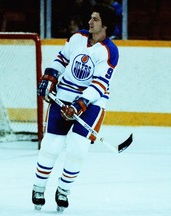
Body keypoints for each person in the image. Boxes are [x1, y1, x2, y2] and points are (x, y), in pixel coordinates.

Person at [32, 4, 118, 212]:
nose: (90, 22)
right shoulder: (78, 38)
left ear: (105, 25)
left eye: (95, 19)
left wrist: (80, 105)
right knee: (51, 146)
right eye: (90, 18)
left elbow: (99, 85)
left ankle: (63, 190)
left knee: (78, 149)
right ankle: (38, 187)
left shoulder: (110, 52)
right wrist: (50, 76)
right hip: (63, 96)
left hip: (91, 103)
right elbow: (61, 58)